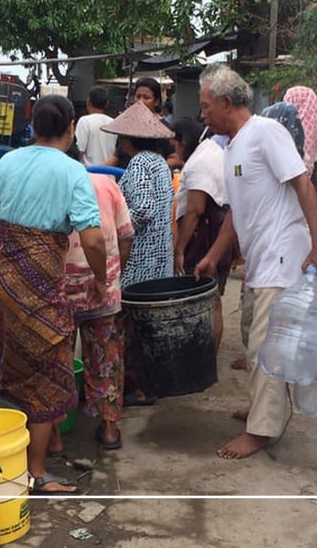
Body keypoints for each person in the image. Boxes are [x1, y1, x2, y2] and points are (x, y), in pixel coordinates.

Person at [193, 64, 317, 460]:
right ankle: (262, 410)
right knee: (254, 344)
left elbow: (302, 184)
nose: (201, 114)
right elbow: (237, 213)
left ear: (226, 102)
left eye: (206, 106)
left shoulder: (266, 132)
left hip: (283, 256)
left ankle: (263, 430)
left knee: (265, 347)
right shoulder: (233, 146)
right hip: (259, 262)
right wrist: (212, 256)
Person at [0, 95, 109, 495]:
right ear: (70, 129)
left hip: (1, 280)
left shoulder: (9, 162)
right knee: (48, 368)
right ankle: (36, 472)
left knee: (19, 360)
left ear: (31, 127)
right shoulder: (71, 171)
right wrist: (101, 279)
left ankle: (41, 445)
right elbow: (95, 239)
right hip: (39, 284)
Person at [101, 101, 175, 406]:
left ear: (128, 140)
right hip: (159, 258)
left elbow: (142, 209)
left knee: (131, 326)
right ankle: (152, 384)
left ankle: (139, 388)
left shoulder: (140, 163)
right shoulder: (159, 162)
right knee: (150, 326)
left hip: (141, 259)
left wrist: (115, 223)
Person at [63, 173, 135, 450]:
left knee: (58, 361)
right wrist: (112, 276)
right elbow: (126, 235)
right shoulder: (107, 184)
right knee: (106, 358)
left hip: (61, 291)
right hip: (101, 288)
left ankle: (55, 433)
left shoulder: (54, 180)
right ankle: (109, 430)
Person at [171, 117, 231, 357]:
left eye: (173, 143)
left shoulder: (201, 161)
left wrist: (180, 248)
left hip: (204, 239)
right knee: (212, 298)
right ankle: (206, 357)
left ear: (182, 141)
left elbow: (195, 210)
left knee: (206, 298)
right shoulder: (213, 152)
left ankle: (203, 358)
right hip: (217, 236)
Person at [75, 86, 117, 166]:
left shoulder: (84, 121)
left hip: (89, 173)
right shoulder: (113, 123)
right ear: (107, 104)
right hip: (109, 173)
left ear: (88, 101)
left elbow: (80, 151)